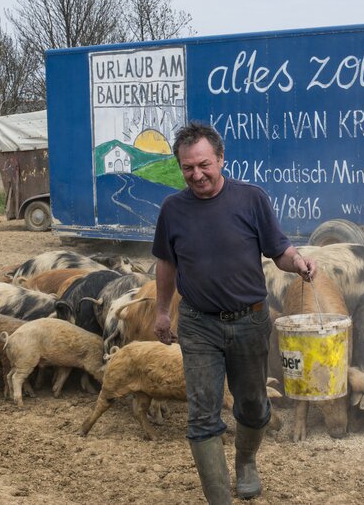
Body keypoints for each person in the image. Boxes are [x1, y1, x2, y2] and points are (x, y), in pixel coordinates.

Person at [152, 122, 316, 503]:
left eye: (204, 165)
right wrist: (162, 312)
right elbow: (165, 264)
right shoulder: (173, 209)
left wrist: (300, 262)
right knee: (202, 416)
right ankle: (219, 498)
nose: (197, 174)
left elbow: (280, 251)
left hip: (250, 321)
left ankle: (246, 462)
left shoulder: (251, 199)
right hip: (197, 324)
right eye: (188, 168)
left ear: (221, 159)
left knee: (254, 407)